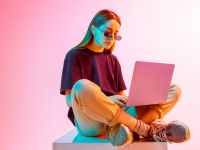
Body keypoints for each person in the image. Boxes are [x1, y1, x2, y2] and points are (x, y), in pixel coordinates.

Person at [60, 9, 190, 148]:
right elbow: (70, 101)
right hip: (91, 120)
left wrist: (135, 98)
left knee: (174, 89)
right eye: (107, 32)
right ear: (93, 29)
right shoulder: (74, 56)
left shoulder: (113, 60)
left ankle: (125, 129)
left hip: (118, 116)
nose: (111, 38)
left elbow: (120, 95)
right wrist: (107, 100)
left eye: (115, 35)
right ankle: (145, 129)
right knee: (82, 86)